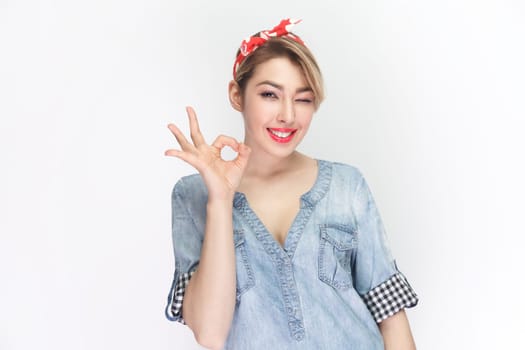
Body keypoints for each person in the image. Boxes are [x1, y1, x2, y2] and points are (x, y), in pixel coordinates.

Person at [164, 19, 418, 350]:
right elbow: (210, 333)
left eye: (303, 99)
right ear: (236, 95)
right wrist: (221, 200)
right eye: (270, 94)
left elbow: (391, 316)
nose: (287, 115)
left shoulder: (347, 186)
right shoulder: (192, 196)